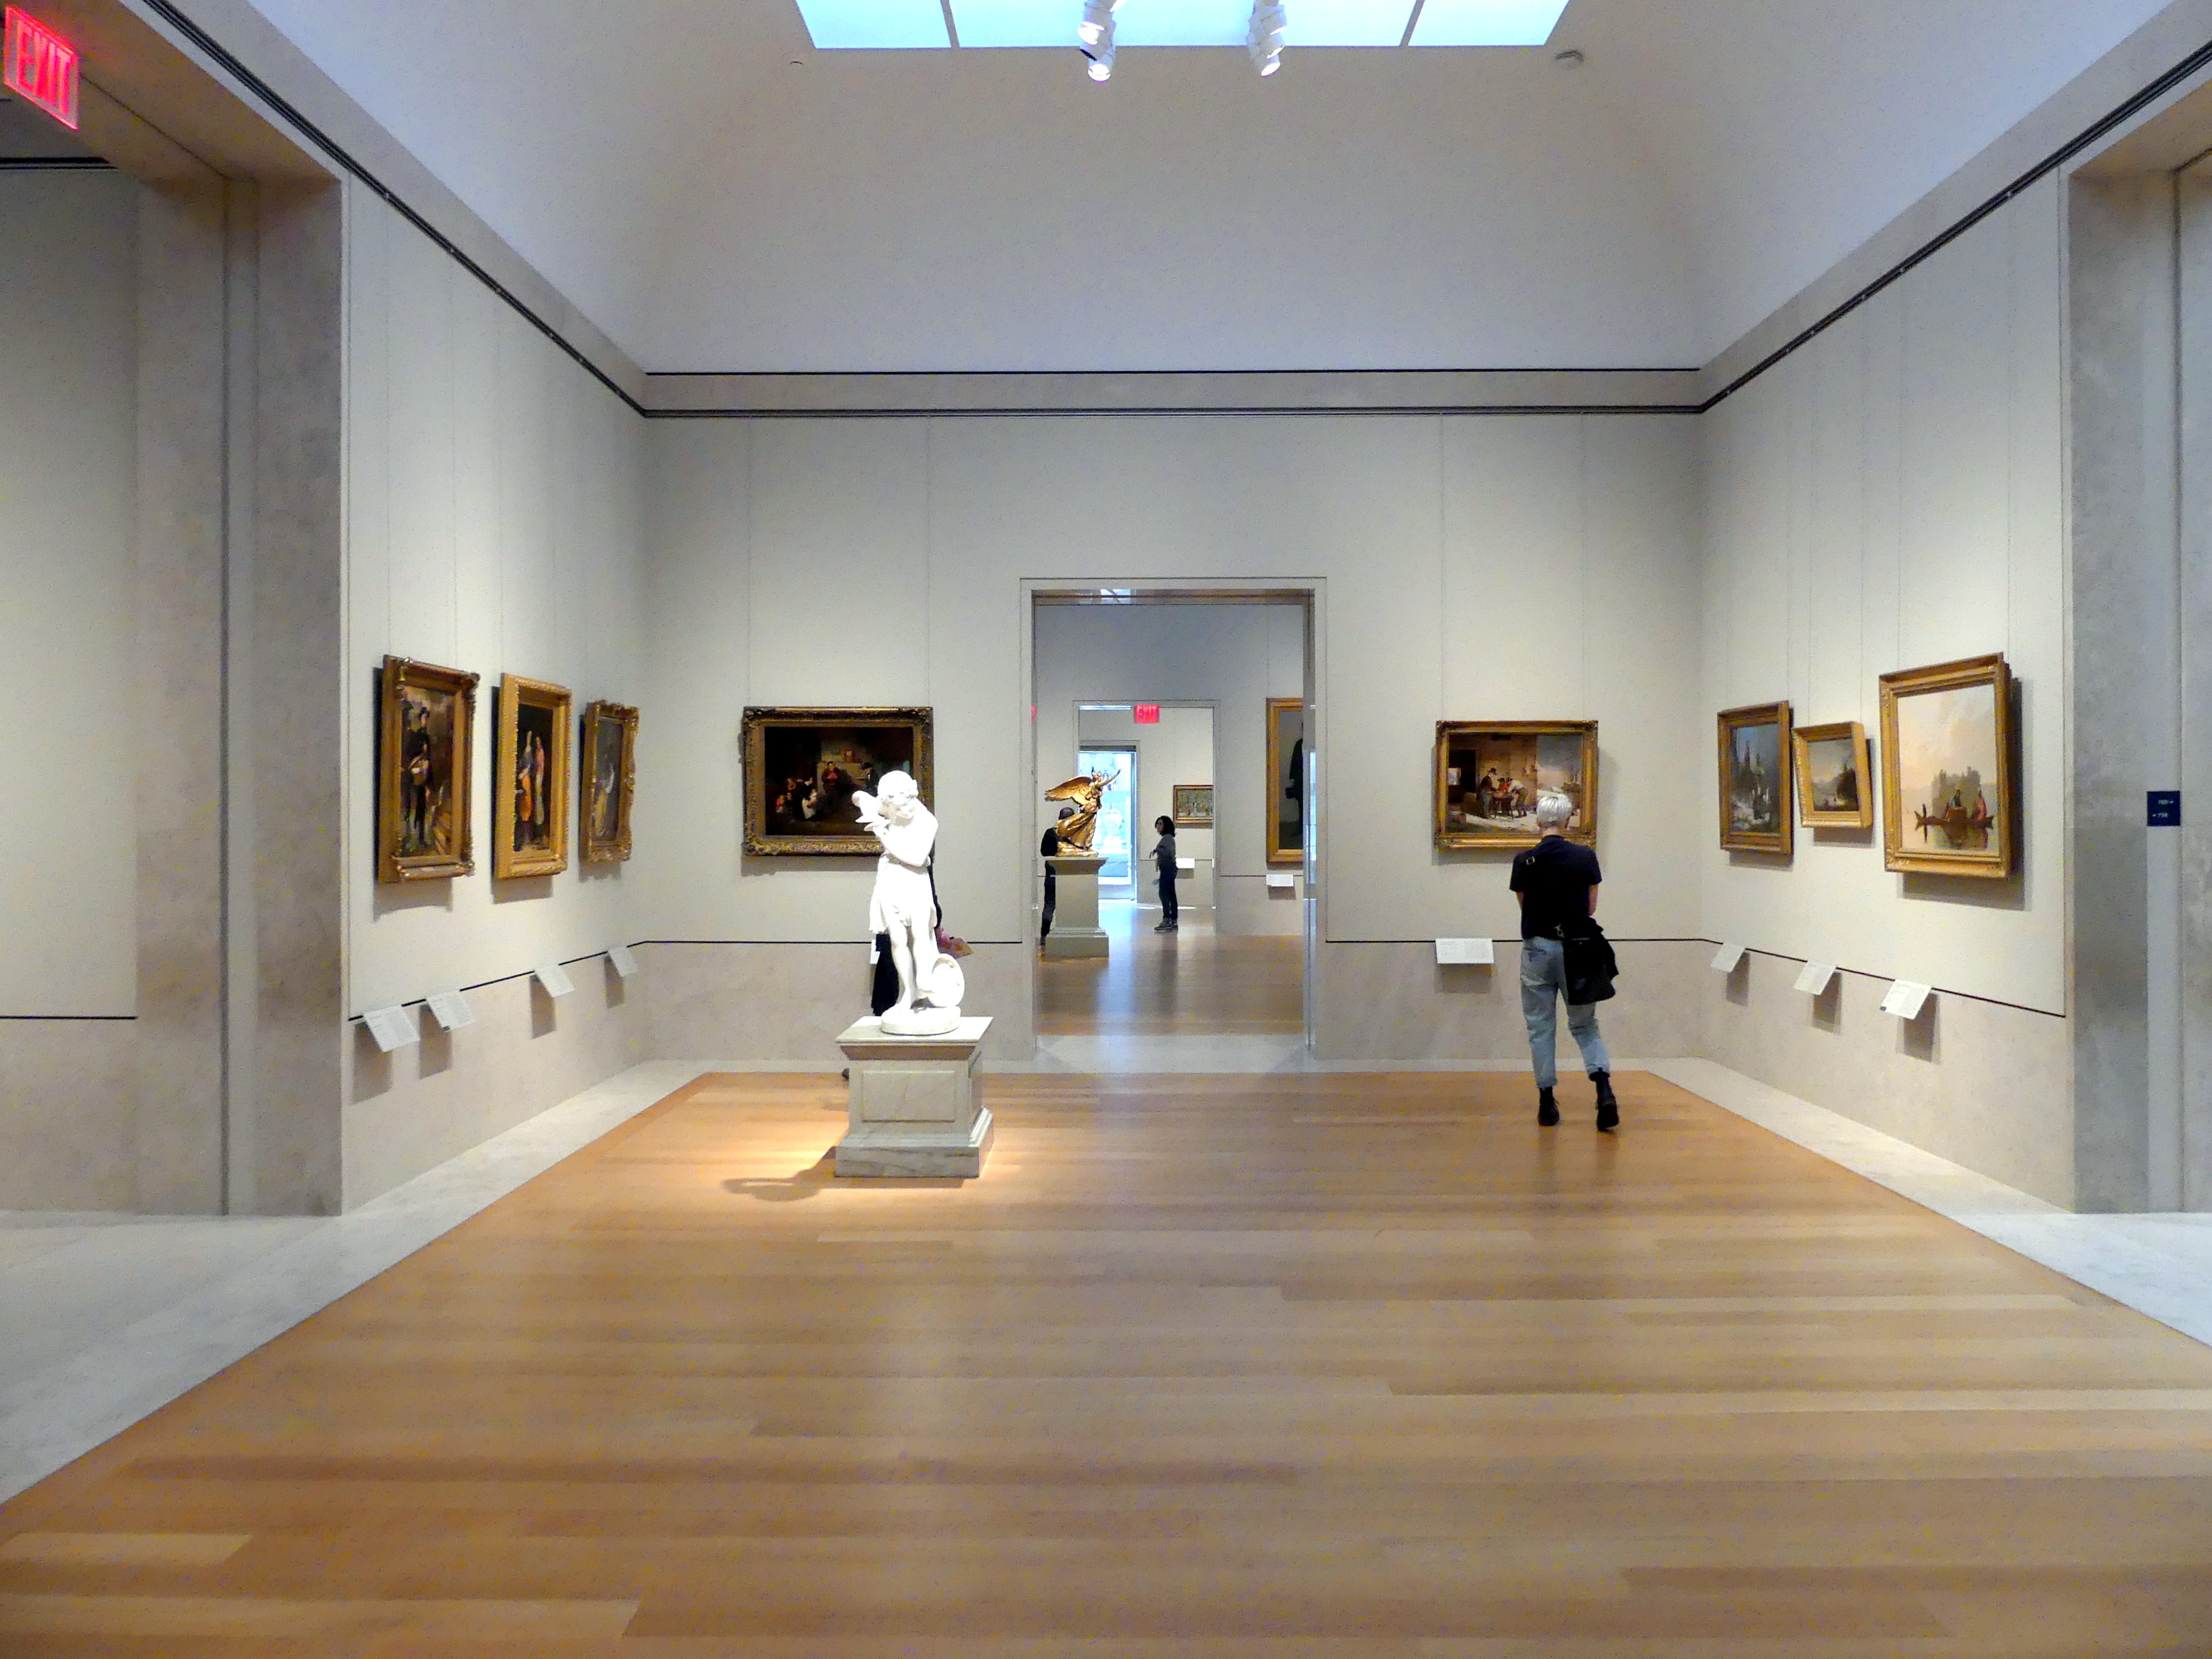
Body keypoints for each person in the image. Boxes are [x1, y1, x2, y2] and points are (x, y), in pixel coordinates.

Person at [1510, 791, 1618, 1131]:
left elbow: (1525, 906)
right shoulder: (1586, 857)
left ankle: (1547, 1102)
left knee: (1540, 1026)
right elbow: (1590, 907)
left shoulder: (1524, 860)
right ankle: (1603, 1090)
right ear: (1569, 820)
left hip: (1538, 949)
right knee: (1585, 1024)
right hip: (1578, 949)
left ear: (1538, 821)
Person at [1040, 804, 1075, 946]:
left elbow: (1044, 852)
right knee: (1070, 906)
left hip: (1052, 873)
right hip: (1070, 875)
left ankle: (1044, 935)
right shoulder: (1075, 835)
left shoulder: (1050, 833)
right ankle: (1069, 934)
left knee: (1049, 905)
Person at [1150, 814, 1179, 933]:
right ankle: (1173, 920)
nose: (1158, 826)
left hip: (1168, 869)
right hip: (1170, 869)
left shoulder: (1167, 838)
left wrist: (1157, 850)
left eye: (1161, 824)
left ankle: (1167, 919)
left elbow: (1169, 852)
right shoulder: (1168, 838)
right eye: (1158, 824)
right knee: (1171, 894)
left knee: (1164, 894)